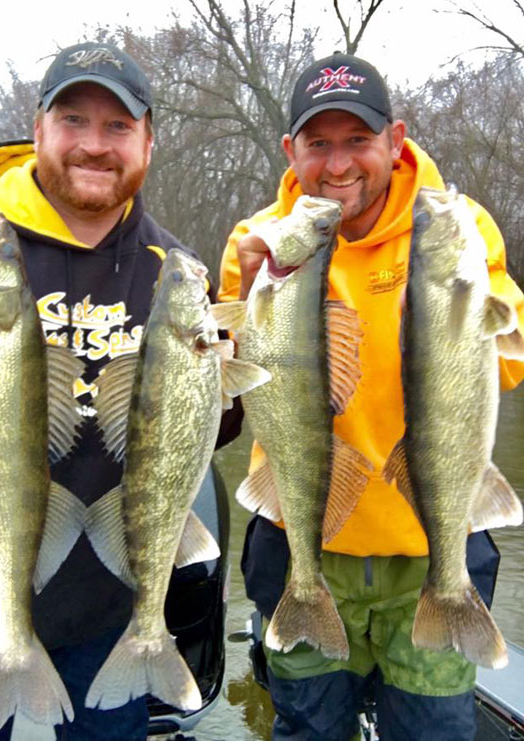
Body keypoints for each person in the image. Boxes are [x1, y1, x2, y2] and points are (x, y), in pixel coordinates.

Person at [218, 52, 524, 740]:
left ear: (396, 137)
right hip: (301, 536)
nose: (338, 163)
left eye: (358, 139)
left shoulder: (458, 228)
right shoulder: (259, 244)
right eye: (318, 143)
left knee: (436, 730)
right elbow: (223, 392)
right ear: (288, 149)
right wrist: (239, 294)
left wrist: (470, 312)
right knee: (307, 728)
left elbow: (507, 366)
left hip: (430, 544)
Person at [0, 41, 225, 740]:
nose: (96, 144)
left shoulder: (174, 268)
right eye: (73, 120)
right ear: (37, 130)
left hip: (107, 620)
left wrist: (222, 377)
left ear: (149, 141)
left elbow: (194, 446)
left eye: (118, 126)